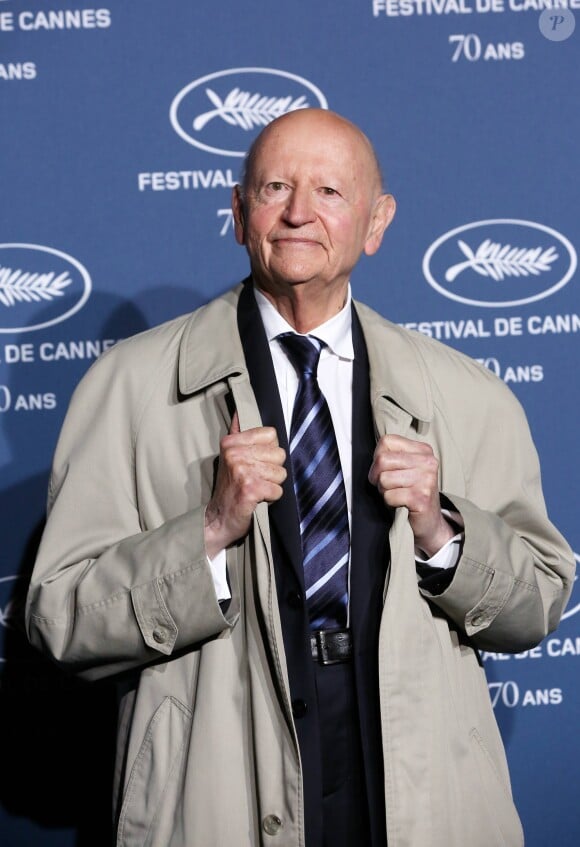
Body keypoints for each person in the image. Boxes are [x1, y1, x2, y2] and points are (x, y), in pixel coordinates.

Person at [26, 109, 574, 847]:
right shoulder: (128, 387)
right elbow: (60, 617)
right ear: (237, 212)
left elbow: (538, 599)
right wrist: (209, 531)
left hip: (412, 773)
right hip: (215, 778)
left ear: (376, 222)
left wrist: (442, 530)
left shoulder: (467, 395)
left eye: (329, 192)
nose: (297, 213)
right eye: (275, 187)